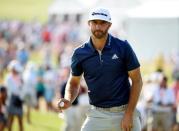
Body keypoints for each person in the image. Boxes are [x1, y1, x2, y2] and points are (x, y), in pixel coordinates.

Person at [58, 7, 143, 131]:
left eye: (102, 23)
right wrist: (68, 99)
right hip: (97, 114)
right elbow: (73, 82)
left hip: (124, 111)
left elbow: (137, 81)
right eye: (95, 22)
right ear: (89, 24)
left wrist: (129, 113)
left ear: (109, 25)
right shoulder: (79, 53)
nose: (98, 27)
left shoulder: (123, 47)